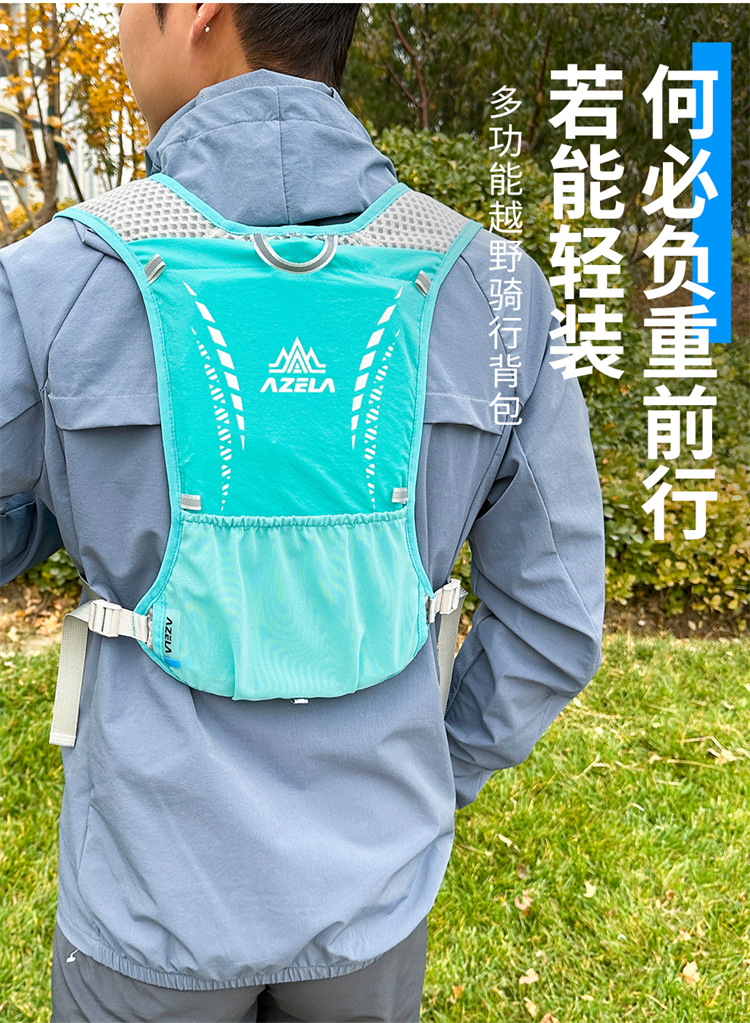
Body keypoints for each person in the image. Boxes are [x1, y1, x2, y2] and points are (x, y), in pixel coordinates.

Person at [0, 4, 605, 1021]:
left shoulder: (53, 282)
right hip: (374, 894)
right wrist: (430, 769)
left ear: (199, 12)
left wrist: (75, 495)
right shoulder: (493, 289)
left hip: (151, 896)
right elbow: (555, 620)